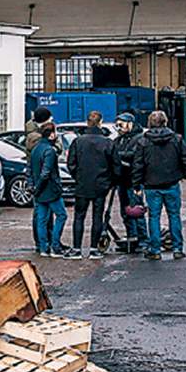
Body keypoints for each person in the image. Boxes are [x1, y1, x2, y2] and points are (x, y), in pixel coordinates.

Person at [131, 110, 186, 261]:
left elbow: (138, 164)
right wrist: (184, 174)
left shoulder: (143, 141)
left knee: (153, 217)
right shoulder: (176, 139)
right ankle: (177, 248)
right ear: (165, 122)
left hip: (151, 185)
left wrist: (136, 184)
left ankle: (155, 249)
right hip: (172, 183)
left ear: (149, 123)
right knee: (174, 216)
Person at [66, 111, 117, 260]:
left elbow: (71, 163)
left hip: (82, 183)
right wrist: (109, 181)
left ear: (87, 122)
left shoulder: (78, 141)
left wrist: (78, 176)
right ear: (100, 122)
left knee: (79, 216)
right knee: (97, 216)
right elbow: (116, 165)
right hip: (101, 184)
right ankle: (94, 248)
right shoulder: (107, 142)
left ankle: (76, 248)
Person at [25, 107, 64, 252]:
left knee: (42, 216)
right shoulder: (41, 140)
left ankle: (44, 245)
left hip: (38, 183)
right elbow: (46, 166)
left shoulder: (32, 136)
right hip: (45, 185)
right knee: (57, 215)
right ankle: (51, 243)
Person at [112, 112, 149, 253]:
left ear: (130, 124)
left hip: (134, 181)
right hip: (122, 180)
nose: (119, 128)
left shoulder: (139, 139)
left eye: (121, 124)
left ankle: (143, 240)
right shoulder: (119, 140)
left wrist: (117, 156)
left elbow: (135, 155)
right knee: (126, 211)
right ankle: (132, 237)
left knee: (137, 211)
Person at [30, 123, 68, 257]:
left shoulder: (35, 149)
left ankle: (43, 247)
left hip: (39, 191)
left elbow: (30, 170)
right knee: (62, 215)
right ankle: (55, 245)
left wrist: (34, 187)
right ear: (51, 134)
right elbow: (46, 173)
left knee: (41, 219)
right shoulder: (49, 150)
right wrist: (40, 187)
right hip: (50, 190)